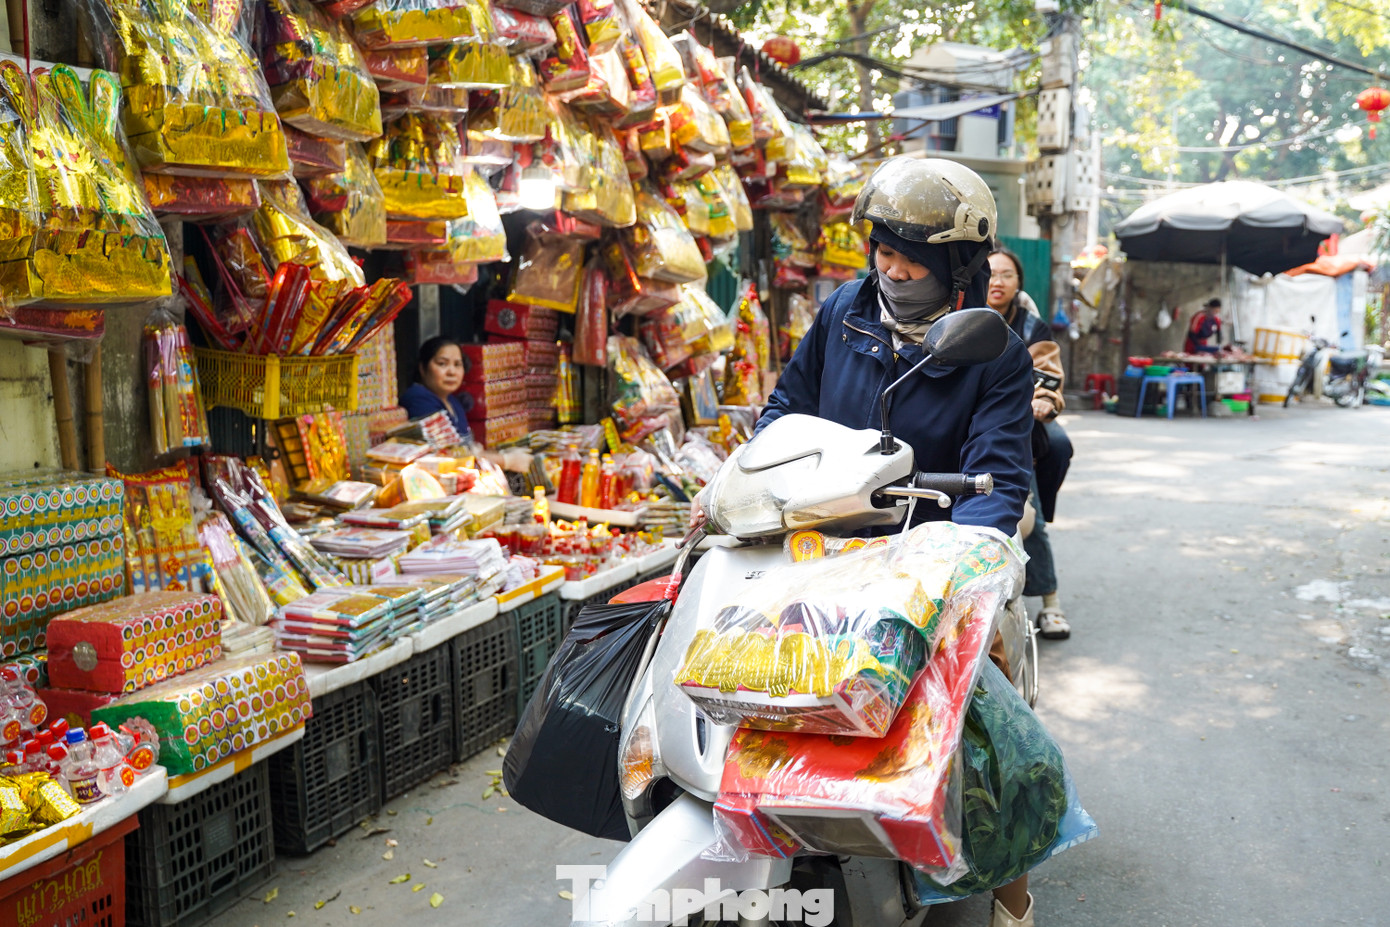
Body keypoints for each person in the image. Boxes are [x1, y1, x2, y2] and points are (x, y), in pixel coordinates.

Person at [755, 157, 1038, 927]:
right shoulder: (845, 309)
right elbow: (787, 410)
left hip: (922, 560)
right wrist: (753, 476)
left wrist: (953, 569)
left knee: (988, 723)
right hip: (820, 551)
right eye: (884, 248)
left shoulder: (997, 353)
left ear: (958, 267)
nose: (893, 267)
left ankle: (1010, 895)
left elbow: (1000, 479)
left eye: (913, 256)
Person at [986, 249, 1073, 640]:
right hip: (967, 428)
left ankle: (1051, 603)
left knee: (1026, 511)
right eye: (990, 274)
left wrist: (1042, 401)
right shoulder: (954, 316)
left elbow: (1048, 376)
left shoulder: (1031, 326)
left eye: (1006, 274)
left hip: (1015, 427)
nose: (997, 282)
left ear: (1018, 283)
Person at [400, 336, 472, 440]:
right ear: (423, 368)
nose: (452, 372)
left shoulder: (452, 401)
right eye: (442, 364)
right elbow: (445, 448)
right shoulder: (417, 399)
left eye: (457, 364)